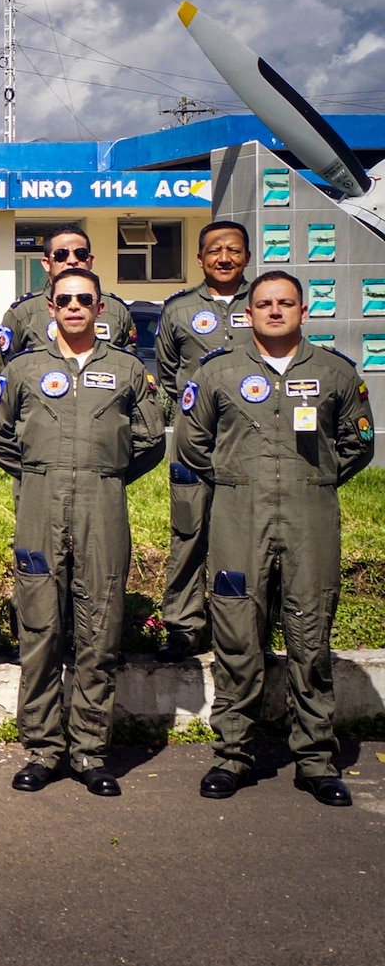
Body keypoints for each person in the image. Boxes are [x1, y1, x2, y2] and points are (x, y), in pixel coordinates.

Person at [179, 271, 374, 807]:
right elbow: (194, 444)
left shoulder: (335, 372)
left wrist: (314, 478)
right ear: (249, 313)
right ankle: (232, 756)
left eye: (285, 303)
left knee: (310, 637)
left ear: (303, 312)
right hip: (239, 514)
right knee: (238, 636)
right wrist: (238, 477)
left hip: (310, 515)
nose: (274, 311)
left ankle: (314, 759)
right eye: (263, 303)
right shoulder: (218, 372)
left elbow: (359, 443)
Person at [0, 268, 166, 797]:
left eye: (86, 299)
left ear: (101, 307)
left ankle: (89, 751)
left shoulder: (129, 370)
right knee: (39, 629)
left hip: (102, 505)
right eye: (66, 299)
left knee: (100, 629)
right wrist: (40, 471)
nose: (76, 307)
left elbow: (151, 439)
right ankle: (42, 749)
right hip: (40, 503)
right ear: (52, 306)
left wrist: (104, 473)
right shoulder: (23, 369)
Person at [153, 220, 252, 663]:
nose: (224, 258)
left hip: (250, 445)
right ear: (200, 259)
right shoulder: (177, 310)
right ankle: (183, 627)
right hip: (194, 443)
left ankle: (247, 631)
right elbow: (169, 376)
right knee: (188, 531)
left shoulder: (264, 302)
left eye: (233, 250)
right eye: (215, 251)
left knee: (250, 539)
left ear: (246, 256)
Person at [0, 224, 138, 361]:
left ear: (90, 261)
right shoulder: (23, 313)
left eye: (80, 254)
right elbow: (5, 370)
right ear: (46, 263)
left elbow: (129, 365)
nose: (72, 260)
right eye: (61, 255)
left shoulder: (116, 309)